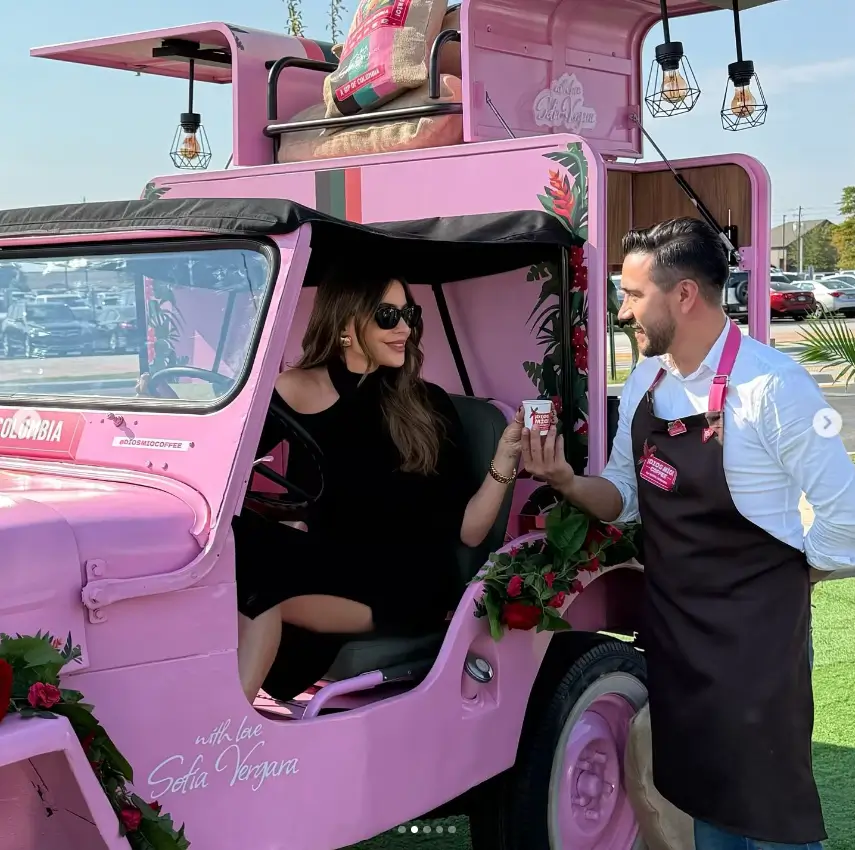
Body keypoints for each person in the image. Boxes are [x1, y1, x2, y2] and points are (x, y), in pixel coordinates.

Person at [520, 217, 855, 850]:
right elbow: (620, 497)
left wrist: (788, 579)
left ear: (684, 296)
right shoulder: (649, 382)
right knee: (701, 797)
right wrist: (564, 479)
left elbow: (847, 521)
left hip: (756, 642)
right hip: (675, 629)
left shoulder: (772, 387)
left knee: (768, 811)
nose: (622, 311)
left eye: (632, 294)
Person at [234, 270, 524, 703]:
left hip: (406, 580)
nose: (405, 327)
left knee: (260, 583)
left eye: (410, 314)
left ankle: (225, 735)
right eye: (389, 315)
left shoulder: (426, 407)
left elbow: (469, 532)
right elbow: (233, 470)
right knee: (233, 548)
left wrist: (505, 460)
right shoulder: (290, 391)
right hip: (328, 559)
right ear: (345, 324)